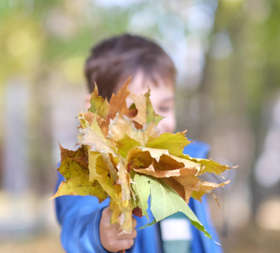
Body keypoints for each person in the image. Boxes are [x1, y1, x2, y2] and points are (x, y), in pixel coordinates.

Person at [54, 34, 222, 253]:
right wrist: (99, 234)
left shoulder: (183, 169)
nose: (155, 124)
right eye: (136, 110)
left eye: (163, 108)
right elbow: (77, 225)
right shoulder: (88, 169)